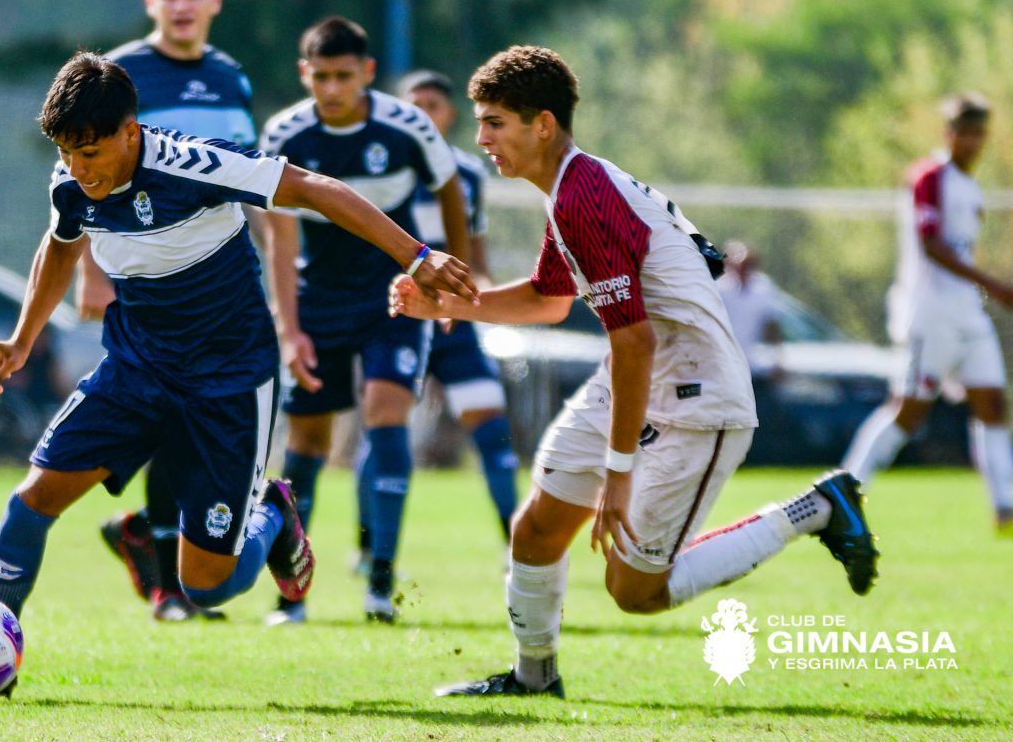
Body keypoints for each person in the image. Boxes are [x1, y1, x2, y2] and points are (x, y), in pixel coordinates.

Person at [0, 51, 476, 698]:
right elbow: (61, 244)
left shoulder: (195, 165)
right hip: (136, 368)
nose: (79, 168)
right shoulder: (71, 181)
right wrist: (20, 340)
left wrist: (417, 256)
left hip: (228, 380)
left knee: (206, 584)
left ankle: (273, 517)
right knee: (30, 503)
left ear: (130, 132)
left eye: (90, 152)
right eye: (67, 152)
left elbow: (316, 189)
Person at [389, 46, 878, 698]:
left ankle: (815, 509)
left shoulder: (583, 195)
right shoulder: (570, 188)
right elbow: (549, 299)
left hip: (698, 397)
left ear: (542, 124)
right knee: (536, 528)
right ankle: (534, 678)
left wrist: (618, 474)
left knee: (635, 590)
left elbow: (635, 341)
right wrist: (448, 304)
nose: (481, 140)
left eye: (495, 123)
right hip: (642, 379)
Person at [260, 18, 473, 626]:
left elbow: (450, 190)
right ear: (304, 74)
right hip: (318, 301)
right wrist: (289, 328)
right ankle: (291, 597)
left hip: (394, 296)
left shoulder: (407, 126)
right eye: (321, 77)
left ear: (368, 73)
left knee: (385, 413)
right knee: (308, 442)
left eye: (344, 76)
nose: (332, 89)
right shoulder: (284, 133)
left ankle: (380, 581)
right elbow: (280, 240)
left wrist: (453, 291)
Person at [85, 0, 264, 623]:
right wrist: (91, 276)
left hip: (217, 287)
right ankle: (168, 580)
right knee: (169, 420)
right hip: (142, 282)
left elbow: (247, 182)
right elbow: (83, 176)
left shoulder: (230, 76)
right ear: (150, 1)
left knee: (187, 424)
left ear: (215, 0)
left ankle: (147, 541)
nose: (182, 6)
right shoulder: (122, 73)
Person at [351, 69, 518, 572]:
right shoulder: (379, 165)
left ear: (449, 115)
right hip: (399, 318)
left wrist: (481, 298)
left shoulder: (468, 174)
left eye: (433, 105)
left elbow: (476, 257)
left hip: (453, 323)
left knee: (492, 427)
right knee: (384, 431)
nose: (423, 113)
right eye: (413, 104)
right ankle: (367, 548)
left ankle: (518, 548)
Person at [842, 93, 1013, 532]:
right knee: (909, 412)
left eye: (979, 134)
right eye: (965, 133)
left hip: (968, 313)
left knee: (993, 403)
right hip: (930, 314)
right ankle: (846, 488)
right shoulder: (928, 177)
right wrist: (994, 285)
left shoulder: (970, 186)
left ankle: (1005, 507)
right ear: (949, 134)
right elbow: (931, 245)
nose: (972, 142)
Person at [715, 240, 792, 463]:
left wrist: (778, 359)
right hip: (723, 364)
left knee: (758, 415)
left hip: (751, 364)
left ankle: (755, 456)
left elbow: (772, 326)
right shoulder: (719, 287)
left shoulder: (763, 288)